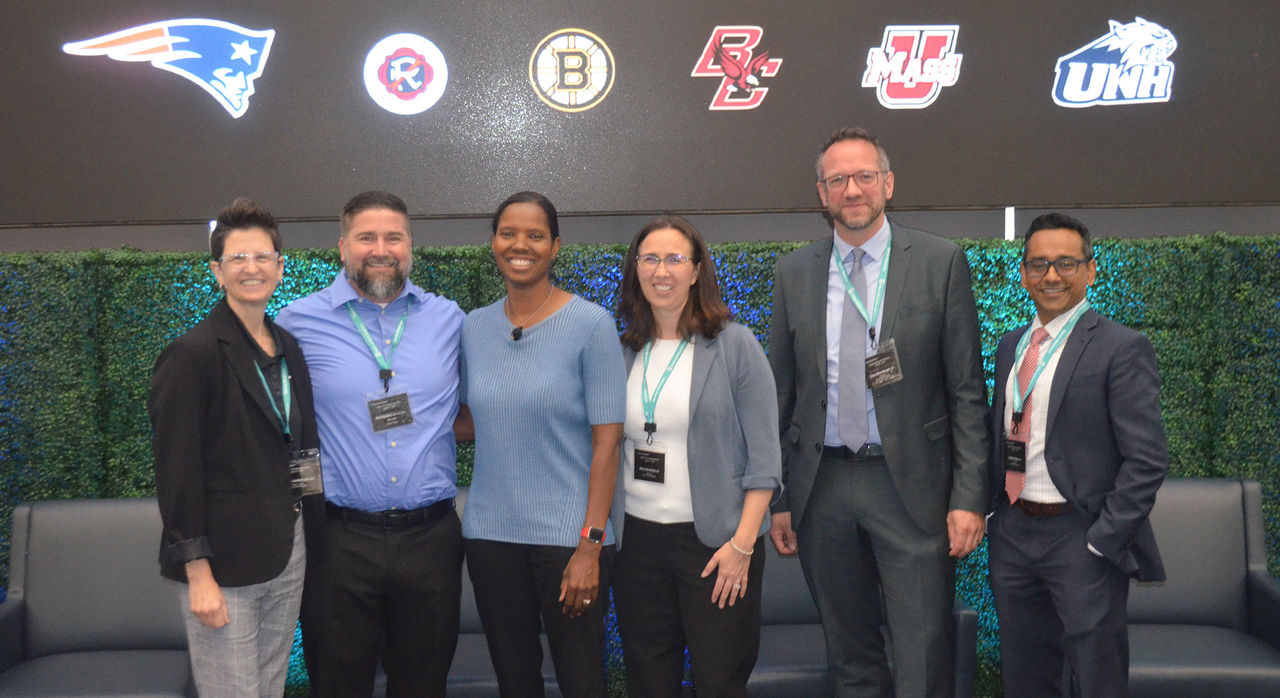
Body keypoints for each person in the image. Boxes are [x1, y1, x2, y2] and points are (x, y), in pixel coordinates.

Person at [767, 127, 989, 697]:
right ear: (821, 193)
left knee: (923, 653)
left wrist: (969, 499)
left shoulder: (939, 262)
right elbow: (782, 395)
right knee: (850, 655)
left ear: (887, 184)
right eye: (837, 179)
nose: (852, 189)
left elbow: (966, 391)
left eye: (864, 176)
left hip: (910, 486)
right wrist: (783, 499)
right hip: (823, 488)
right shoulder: (794, 273)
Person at [275, 191, 465, 697]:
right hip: (338, 542)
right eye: (366, 237)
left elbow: (480, 408)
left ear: (410, 246)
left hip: (431, 539)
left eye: (393, 237)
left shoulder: (450, 320)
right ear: (342, 247)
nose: (380, 248)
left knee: (423, 686)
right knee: (338, 686)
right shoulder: (296, 323)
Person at [987, 213, 1168, 697]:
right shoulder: (1011, 346)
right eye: (1039, 264)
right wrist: (992, 516)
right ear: (1023, 273)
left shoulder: (1121, 347)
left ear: (1091, 270)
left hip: (1080, 537)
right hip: (1013, 534)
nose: (1051, 276)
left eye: (1066, 263)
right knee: (1026, 675)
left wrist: (1103, 540)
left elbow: (1147, 460)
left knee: (1096, 677)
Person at [150, 197, 323, 697]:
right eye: (238, 259)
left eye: (262, 257)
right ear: (217, 272)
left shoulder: (288, 346)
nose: (252, 268)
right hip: (222, 567)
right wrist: (197, 573)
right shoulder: (192, 355)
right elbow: (177, 473)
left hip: (288, 554)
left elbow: (300, 446)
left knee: (268, 687)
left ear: (280, 267)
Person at [458, 191, 625, 697]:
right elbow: (472, 420)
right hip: (489, 536)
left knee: (582, 681)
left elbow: (608, 445)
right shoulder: (473, 327)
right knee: (514, 680)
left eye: (534, 235)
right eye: (508, 233)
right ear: (493, 243)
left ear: (555, 247)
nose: (520, 244)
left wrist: (589, 545)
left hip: (569, 540)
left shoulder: (591, 325)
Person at [611, 214, 781, 697]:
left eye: (674, 259)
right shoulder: (621, 349)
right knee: (648, 681)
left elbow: (765, 461)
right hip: (637, 547)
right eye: (650, 259)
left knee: (719, 683)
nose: (661, 271)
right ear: (636, 269)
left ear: (695, 269)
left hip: (717, 546)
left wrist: (742, 546)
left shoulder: (734, 346)